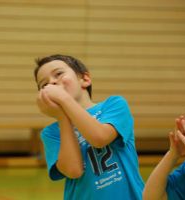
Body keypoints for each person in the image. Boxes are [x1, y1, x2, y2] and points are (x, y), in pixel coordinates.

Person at [33, 54, 144, 200]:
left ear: (85, 79)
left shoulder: (114, 105)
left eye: (58, 74)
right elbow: (74, 171)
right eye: (44, 84)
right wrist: (62, 117)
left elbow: (99, 137)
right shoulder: (51, 132)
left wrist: (64, 99)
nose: (52, 83)